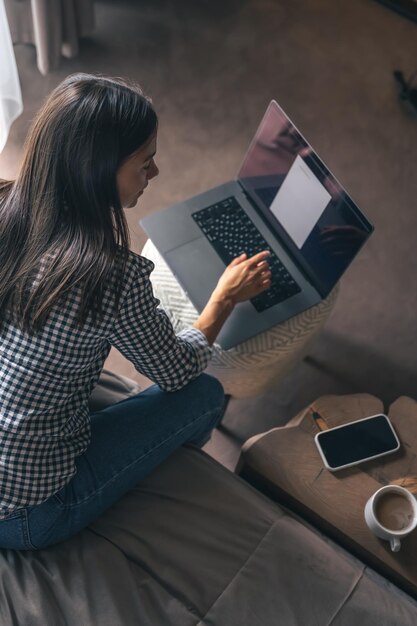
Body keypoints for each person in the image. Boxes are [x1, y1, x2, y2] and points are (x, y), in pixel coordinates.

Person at [0, 73, 271, 550]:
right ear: (98, 172)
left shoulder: (4, 205)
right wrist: (224, 298)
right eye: (145, 164)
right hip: (27, 513)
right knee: (205, 394)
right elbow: (175, 371)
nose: (156, 175)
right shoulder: (108, 276)